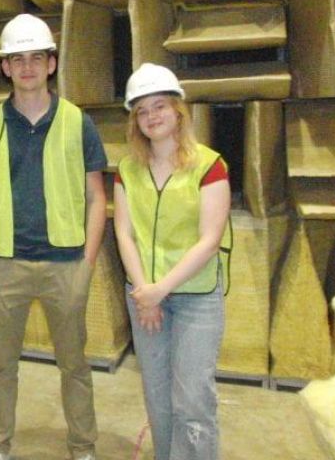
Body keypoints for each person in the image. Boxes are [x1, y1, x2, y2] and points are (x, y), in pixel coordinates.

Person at [0, 14, 107, 460]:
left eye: (36, 58)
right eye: (17, 59)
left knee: (74, 365)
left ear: (51, 63)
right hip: (4, 264)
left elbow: (96, 197)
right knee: (2, 366)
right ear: (5, 67)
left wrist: (87, 262)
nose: (26, 67)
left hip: (66, 264)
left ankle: (83, 448)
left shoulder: (78, 122)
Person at [113, 63, 232, 460]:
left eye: (159, 106)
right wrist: (144, 292)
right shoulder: (127, 169)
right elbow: (124, 234)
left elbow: (209, 240)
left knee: (193, 400)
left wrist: (158, 291)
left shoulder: (209, 165)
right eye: (142, 111)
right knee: (158, 396)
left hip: (196, 297)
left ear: (178, 111)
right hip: (145, 294)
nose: (151, 117)